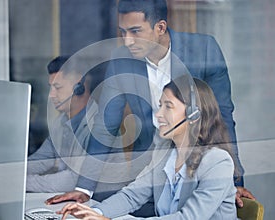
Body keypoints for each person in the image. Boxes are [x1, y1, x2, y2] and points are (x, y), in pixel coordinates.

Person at [46, 0, 254, 211]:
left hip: (197, 171)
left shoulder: (204, 51)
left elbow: (223, 117)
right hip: (148, 176)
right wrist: (84, 188)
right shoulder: (121, 60)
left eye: (135, 31)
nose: (127, 41)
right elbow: (105, 127)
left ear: (160, 27)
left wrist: (234, 181)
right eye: (123, 31)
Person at [58, 76, 239, 220]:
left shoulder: (218, 162)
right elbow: (132, 196)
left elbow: (188, 217)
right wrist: (93, 213)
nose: (159, 114)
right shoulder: (165, 156)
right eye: (160, 105)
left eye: (168, 107)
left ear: (194, 115)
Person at [27, 56, 109, 193]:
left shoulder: (98, 125)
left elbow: (72, 181)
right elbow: (41, 160)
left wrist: (19, 183)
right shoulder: (61, 122)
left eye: (57, 88)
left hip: (97, 202)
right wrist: (10, 173)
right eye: (51, 88)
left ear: (79, 87)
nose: (51, 95)